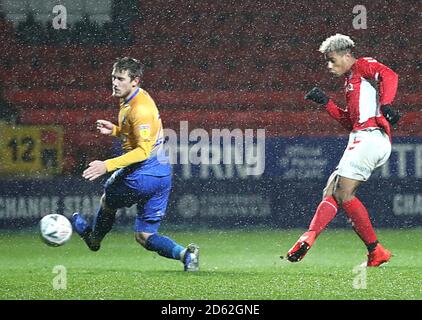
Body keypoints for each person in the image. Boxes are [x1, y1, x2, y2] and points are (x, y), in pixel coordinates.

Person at [71, 57, 199, 271]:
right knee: (144, 236)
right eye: (113, 77)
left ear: (135, 81)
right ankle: (186, 255)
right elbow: (141, 136)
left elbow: (142, 151)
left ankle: (94, 239)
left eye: (120, 78)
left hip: (143, 173)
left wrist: (107, 165)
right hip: (162, 172)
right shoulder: (135, 98)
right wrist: (114, 130)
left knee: (107, 199)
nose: (115, 82)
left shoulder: (139, 109)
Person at [285, 34, 400, 267]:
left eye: (332, 60)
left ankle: (375, 250)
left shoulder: (362, 66)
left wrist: (386, 103)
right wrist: (326, 102)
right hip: (361, 136)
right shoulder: (350, 81)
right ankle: (310, 235)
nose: (329, 66)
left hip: (370, 137)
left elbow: (389, 75)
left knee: (343, 193)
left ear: (347, 55)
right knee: (331, 191)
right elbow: (350, 121)